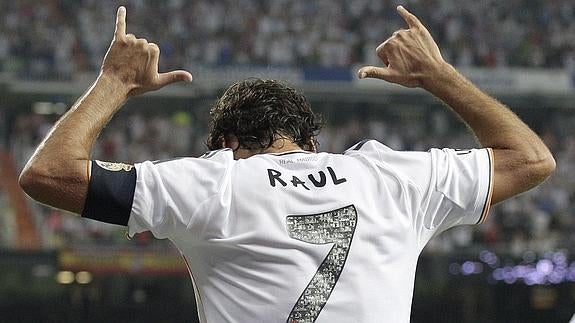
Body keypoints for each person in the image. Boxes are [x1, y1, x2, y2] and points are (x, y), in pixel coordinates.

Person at [19, 5, 555, 323]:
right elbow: (530, 159)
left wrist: (115, 83)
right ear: (310, 138)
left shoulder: (215, 181)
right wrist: (439, 77)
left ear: (226, 143)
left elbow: (49, 174)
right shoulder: (393, 179)